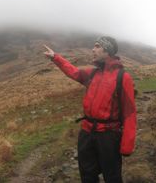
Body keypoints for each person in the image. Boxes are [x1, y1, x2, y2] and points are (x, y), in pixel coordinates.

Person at [42, 36, 136, 183]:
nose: (93, 49)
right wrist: (55, 57)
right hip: (86, 133)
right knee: (87, 175)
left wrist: (127, 145)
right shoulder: (92, 73)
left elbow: (129, 113)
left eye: (97, 46)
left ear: (107, 51)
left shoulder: (123, 77)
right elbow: (73, 72)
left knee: (112, 177)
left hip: (109, 136)